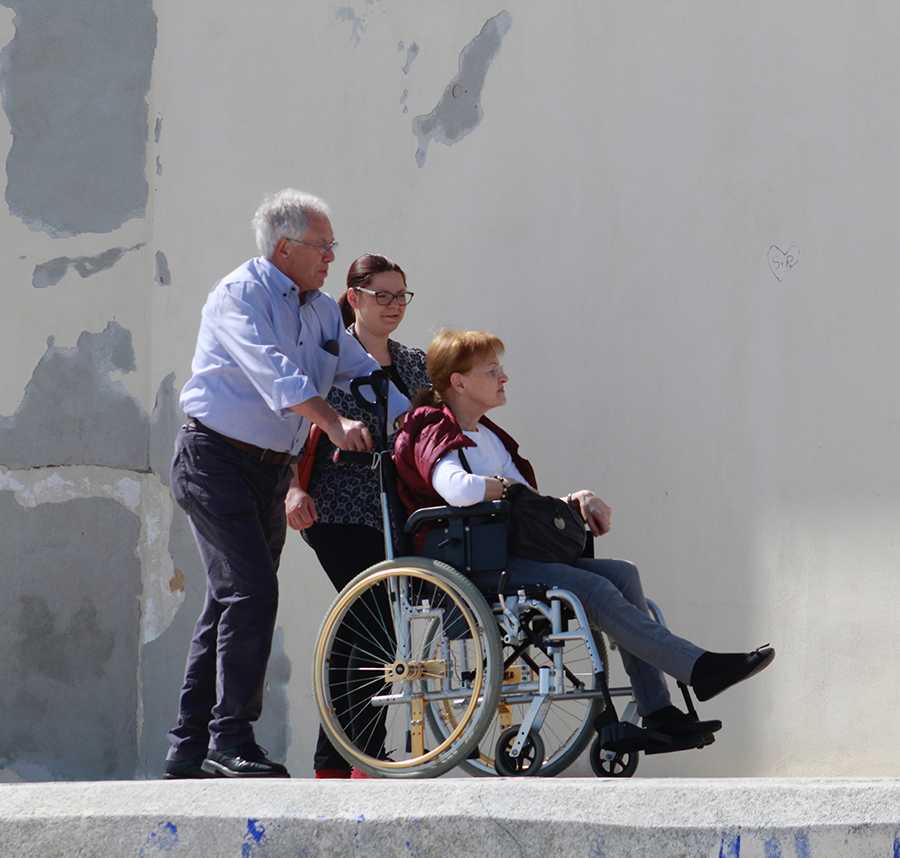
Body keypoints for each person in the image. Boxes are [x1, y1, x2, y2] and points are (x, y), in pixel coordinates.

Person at [393, 329, 775, 746]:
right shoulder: (431, 425)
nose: (504, 378)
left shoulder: (489, 436)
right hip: (474, 563)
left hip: (511, 552)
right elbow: (458, 490)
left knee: (623, 576)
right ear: (459, 382)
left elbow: (526, 503)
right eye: (492, 370)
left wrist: (576, 500)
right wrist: (504, 488)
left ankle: (659, 711)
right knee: (593, 587)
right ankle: (698, 668)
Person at [165, 190, 408, 779]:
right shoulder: (240, 296)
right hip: (215, 459)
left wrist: (431, 418)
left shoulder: (323, 309)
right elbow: (276, 373)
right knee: (251, 593)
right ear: (284, 247)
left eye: (332, 247)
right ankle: (231, 741)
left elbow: (359, 368)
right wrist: (331, 420)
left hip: (269, 469)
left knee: (227, 600)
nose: (331, 257)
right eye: (322, 246)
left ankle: (188, 747)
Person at [286, 253, 429, 779]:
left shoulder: (415, 363)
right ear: (355, 296)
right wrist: (291, 491)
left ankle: (346, 759)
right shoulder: (328, 357)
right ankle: (354, 760)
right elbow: (293, 428)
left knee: (369, 628)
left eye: (401, 296)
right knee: (374, 623)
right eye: (382, 296)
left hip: (396, 509)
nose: (393, 306)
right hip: (338, 507)